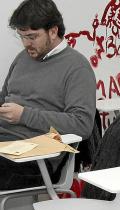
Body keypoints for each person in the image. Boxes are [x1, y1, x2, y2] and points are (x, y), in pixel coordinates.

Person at [0, 0, 96, 190]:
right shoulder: (23, 58)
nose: (26, 44)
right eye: (22, 37)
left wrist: (24, 115)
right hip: (6, 145)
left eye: (32, 37)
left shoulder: (77, 68)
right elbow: (4, 99)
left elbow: (83, 124)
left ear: (53, 31)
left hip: (37, 159)